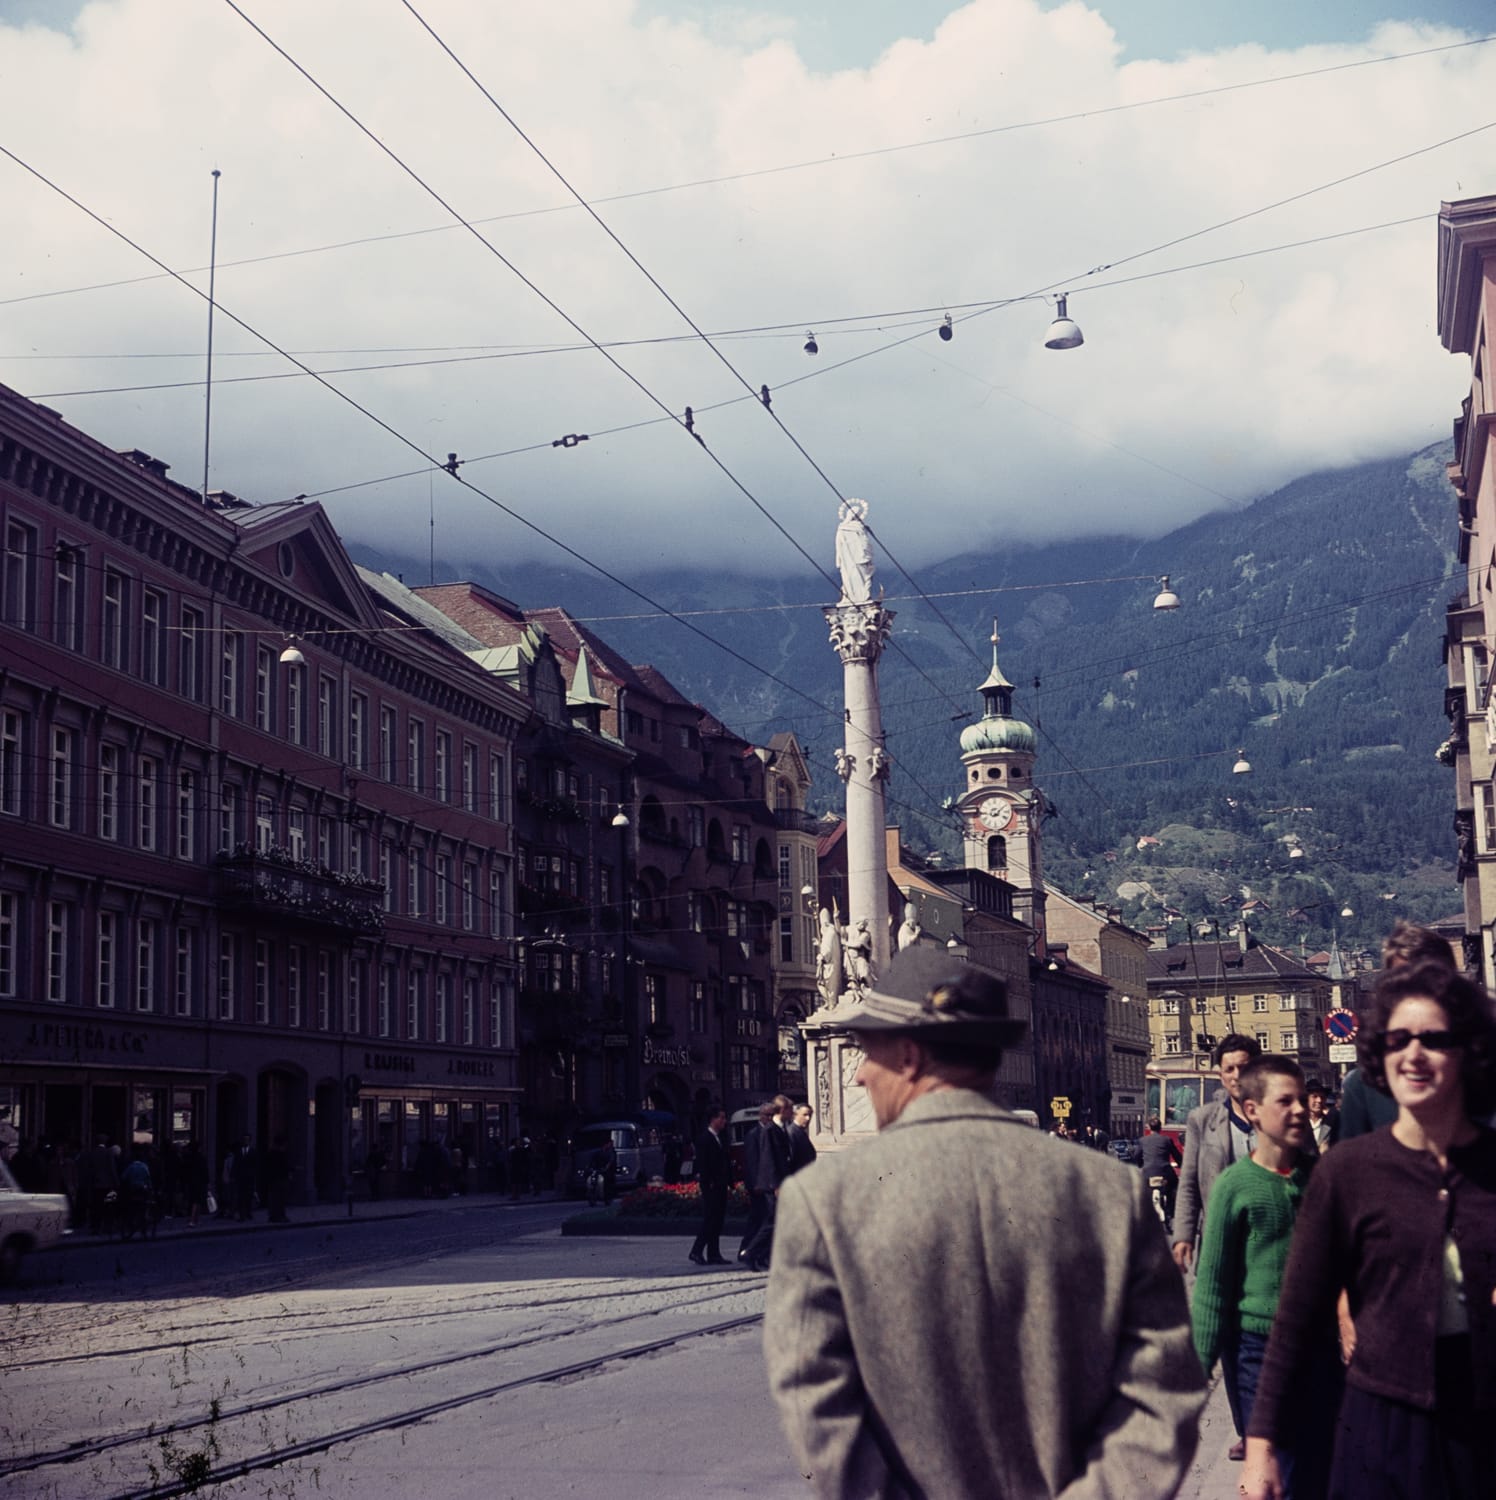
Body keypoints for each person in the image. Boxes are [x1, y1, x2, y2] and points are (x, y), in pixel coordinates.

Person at [765, 947, 1206, 1498]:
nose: (858, 1077)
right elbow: (1165, 1390)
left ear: (908, 1057)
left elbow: (816, 1402)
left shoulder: (823, 1199)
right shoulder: (1109, 1191)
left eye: (866, 1053)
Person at [1244, 961, 1496, 1500]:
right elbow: (1294, 1320)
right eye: (1398, 1039)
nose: (1414, 1053)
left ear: (1467, 1051)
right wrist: (1261, 1447)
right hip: (1380, 1424)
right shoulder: (1349, 1171)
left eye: (1434, 1039)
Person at [1191, 1056, 1336, 1499]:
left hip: (1322, 1348)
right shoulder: (1236, 1185)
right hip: (1258, 1351)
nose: (1298, 1110)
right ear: (1251, 1110)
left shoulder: (1323, 1179)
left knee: (1322, 1469)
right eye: (1284, 1101)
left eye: (1301, 1100)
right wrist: (1193, 1377)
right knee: (1280, 1473)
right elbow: (1212, 1291)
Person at [738, 1101, 790, 1271]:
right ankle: (749, 1252)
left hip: (769, 1182)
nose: (768, 1118)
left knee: (767, 1221)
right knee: (764, 1221)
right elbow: (755, 1161)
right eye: (766, 1115)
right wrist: (757, 1185)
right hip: (764, 1184)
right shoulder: (757, 1133)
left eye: (770, 1115)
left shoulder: (772, 1130)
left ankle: (758, 1254)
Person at [688, 1107, 730, 1266]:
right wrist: (709, 1181)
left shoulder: (720, 1137)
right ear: (713, 1119)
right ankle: (696, 1251)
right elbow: (703, 1164)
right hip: (711, 1186)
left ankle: (714, 1253)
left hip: (720, 1184)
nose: (724, 1121)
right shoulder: (704, 1138)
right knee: (710, 1220)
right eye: (721, 1118)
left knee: (718, 1220)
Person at [1138, 1115, 1182, 1222]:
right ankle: (1170, 1212)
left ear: (1149, 1127)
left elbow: (1136, 1155)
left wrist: (1141, 1165)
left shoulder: (1143, 1141)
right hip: (1165, 1172)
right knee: (1173, 1186)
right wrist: (1181, 1164)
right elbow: (1176, 1156)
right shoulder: (1167, 1140)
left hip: (1147, 1173)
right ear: (1160, 1128)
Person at [787, 1103, 817, 1175]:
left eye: (810, 1115)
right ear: (795, 1115)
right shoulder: (791, 1132)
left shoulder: (801, 1131)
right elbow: (791, 1159)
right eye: (805, 1115)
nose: (808, 1118)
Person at [1306, 1083, 1334, 1153]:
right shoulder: (1300, 1123)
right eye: (1315, 1096)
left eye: (1322, 1097)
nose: (1319, 1100)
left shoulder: (1332, 1123)